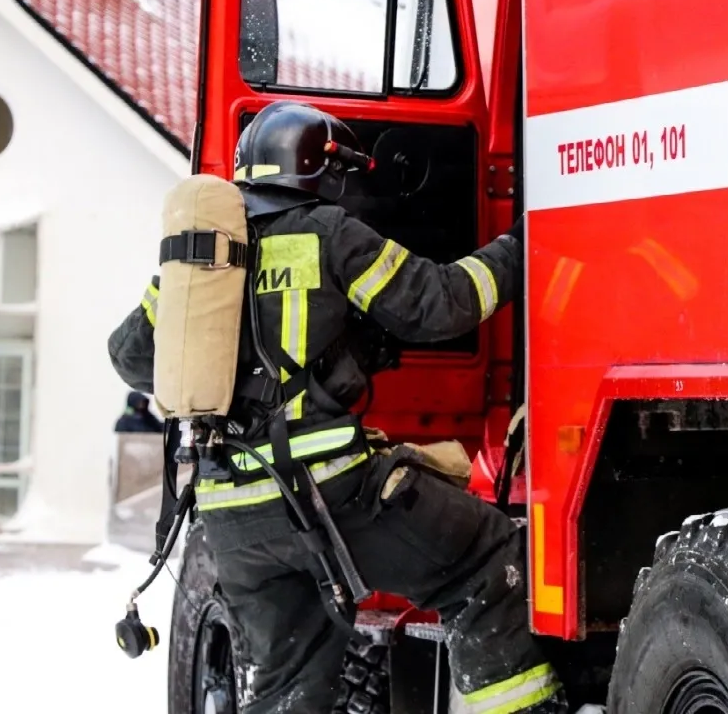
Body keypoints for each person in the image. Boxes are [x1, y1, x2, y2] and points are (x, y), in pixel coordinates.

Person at [107, 101, 565, 714]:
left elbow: (131, 356)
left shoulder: (201, 258)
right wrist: (521, 245)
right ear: (321, 170)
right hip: (328, 494)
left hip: (231, 518)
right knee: (483, 558)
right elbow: (441, 304)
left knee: (286, 691)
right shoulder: (327, 231)